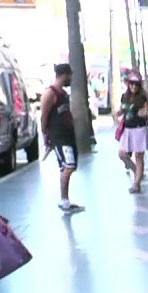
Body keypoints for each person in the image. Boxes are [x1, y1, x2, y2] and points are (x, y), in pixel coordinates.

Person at [41, 63, 85, 214]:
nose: (71, 78)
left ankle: (66, 200)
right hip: (58, 137)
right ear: (64, 75)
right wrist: (46, 136)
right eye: (70, 75)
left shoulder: (63, 94)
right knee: (68, 166)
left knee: (70, 165)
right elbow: (43, 117)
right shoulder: (50, 93)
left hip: (68, 135)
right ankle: (64, 200)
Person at [115, 75, 148, 194]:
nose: (133, 86)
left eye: (136, 84)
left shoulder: (142, 98)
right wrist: (117, 114)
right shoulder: (124, 97)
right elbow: (121, 110)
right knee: (122, 154)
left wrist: (143, 113)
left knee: (139, 156)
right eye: (131, 83)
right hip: (127, 129)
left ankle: (136, 184)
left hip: (139, 129)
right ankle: (136, 171)